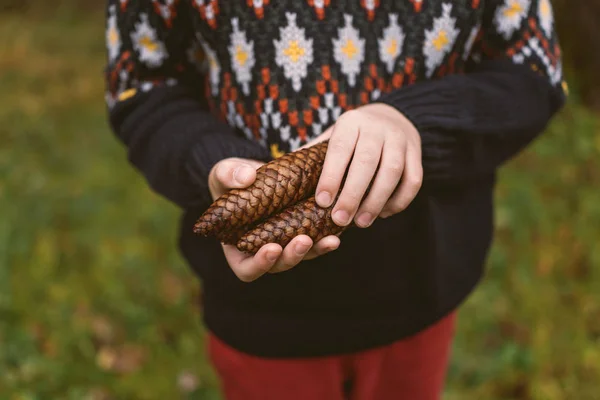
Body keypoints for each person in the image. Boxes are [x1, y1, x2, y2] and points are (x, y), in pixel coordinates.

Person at [104, 1, 566, 398]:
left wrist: (412, 122)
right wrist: (214, 164)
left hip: (420, 283)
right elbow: (141, 82)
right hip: (257, 309)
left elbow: (530, 70)